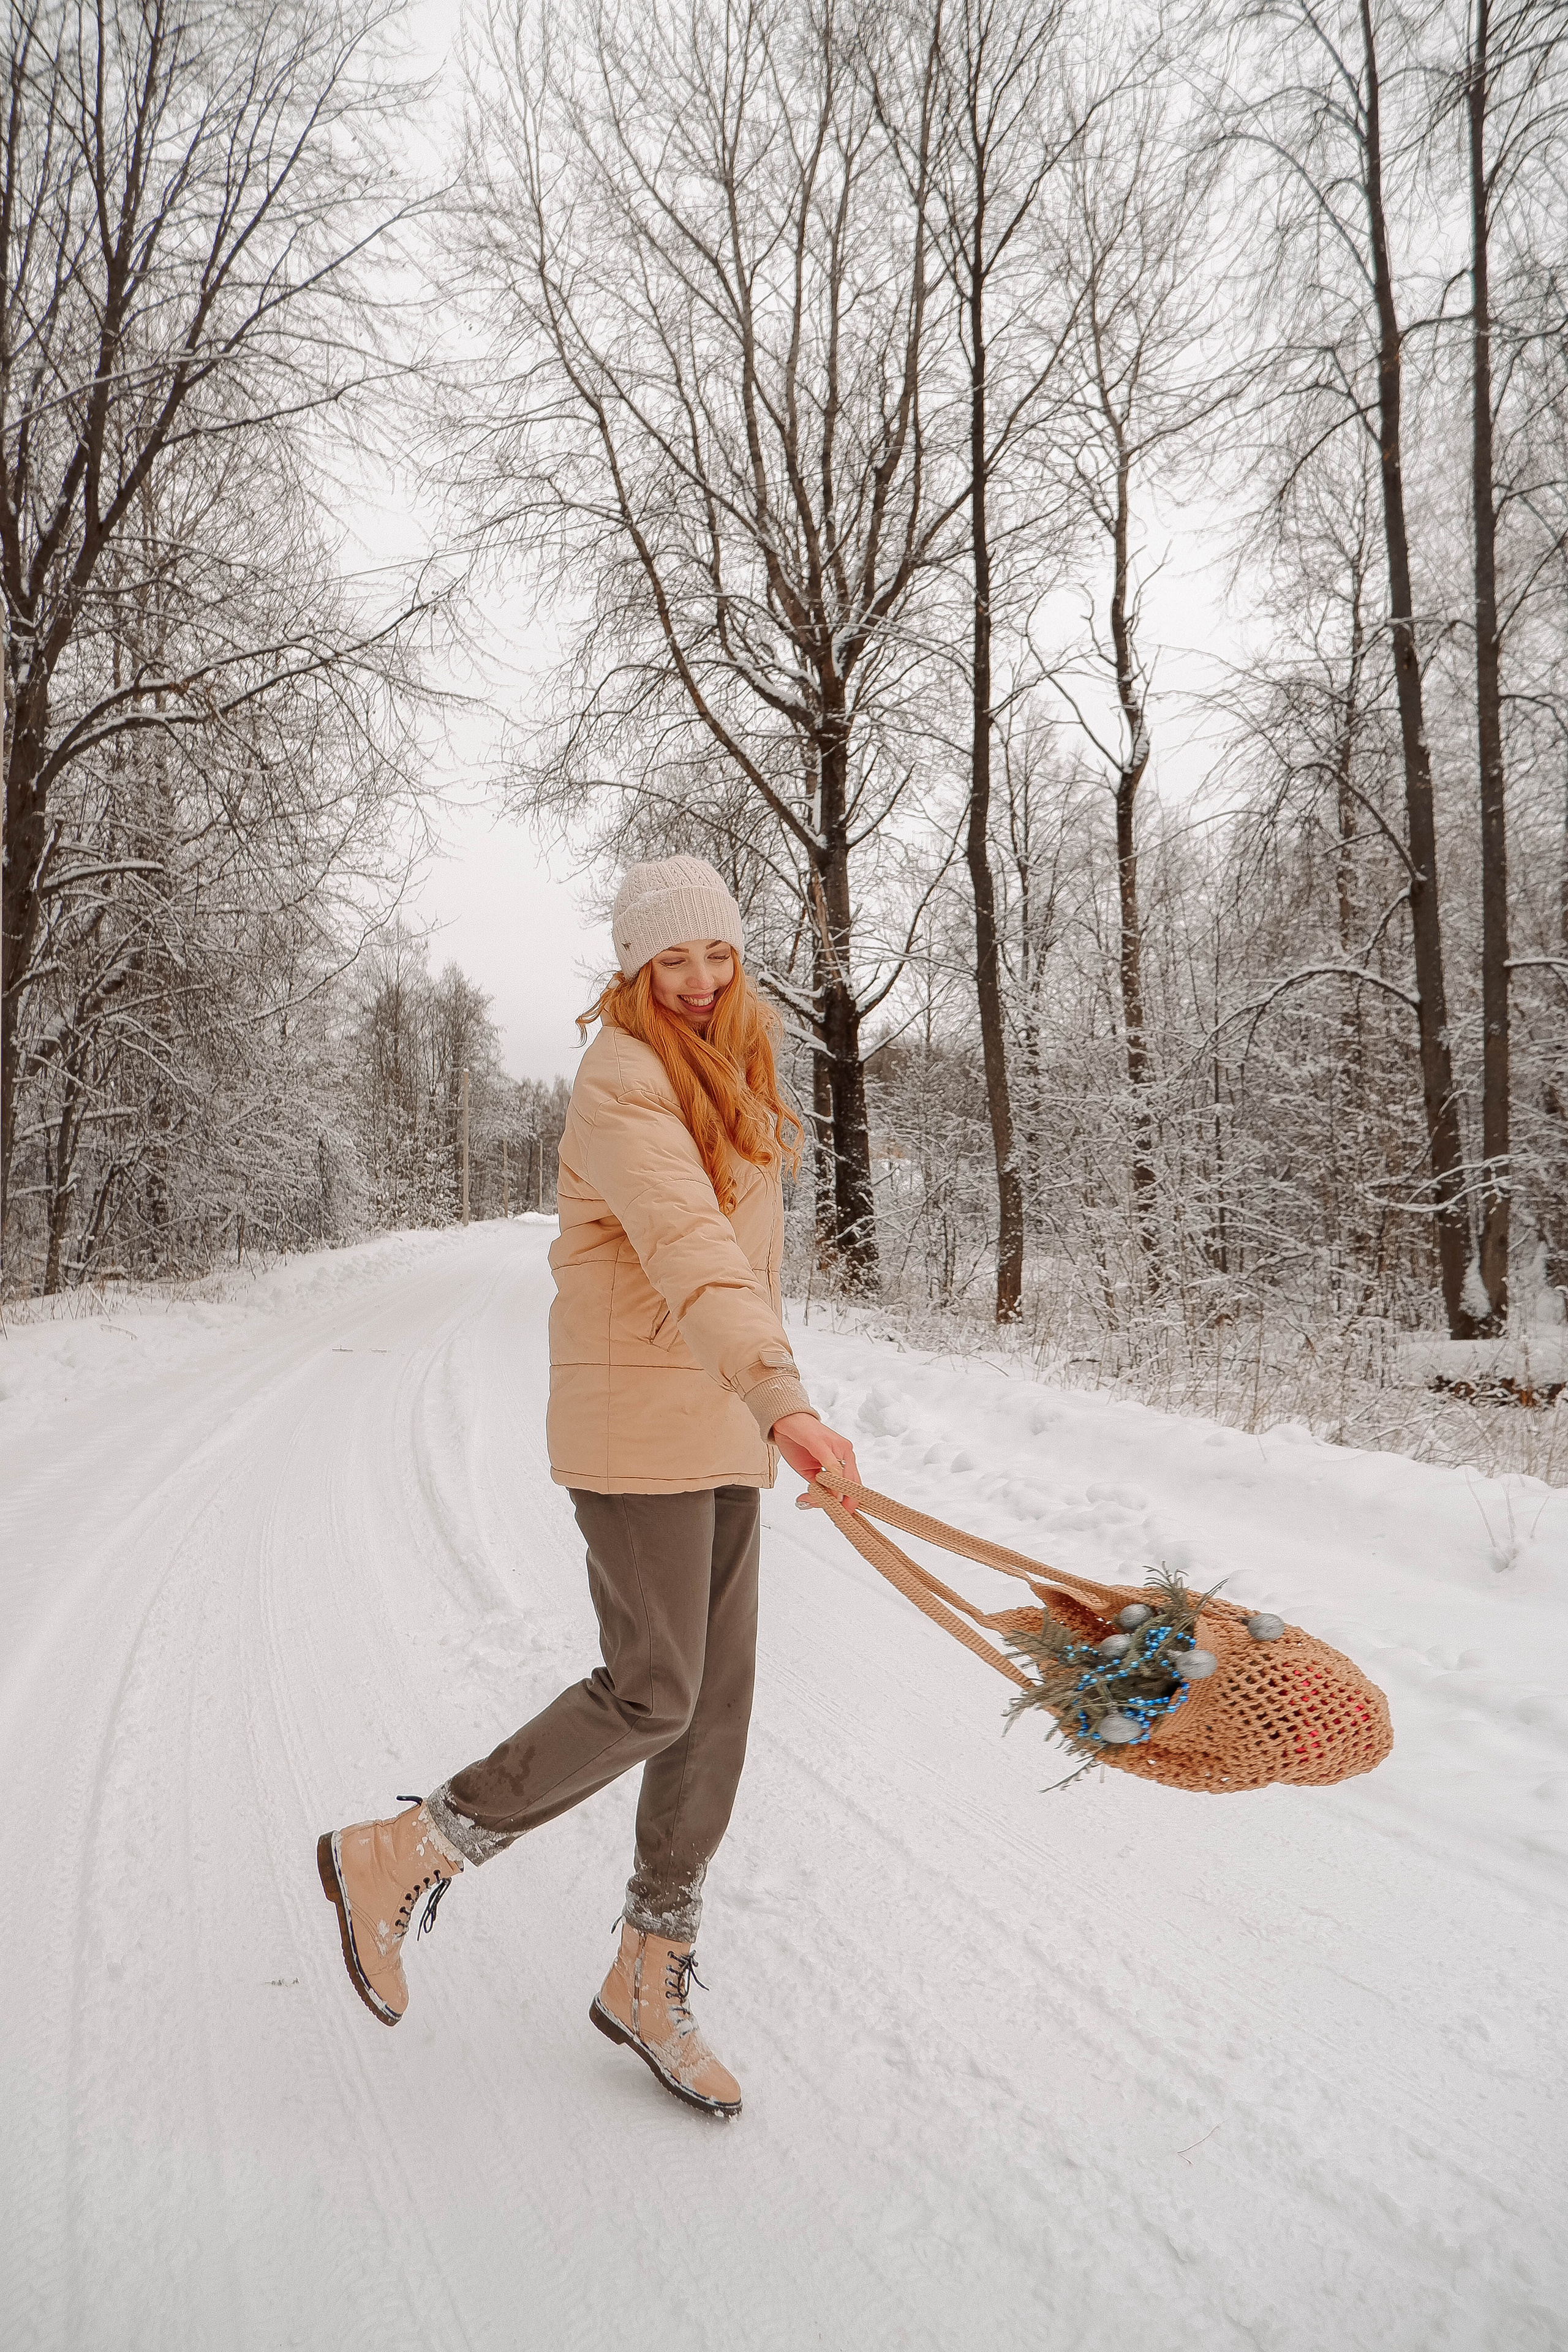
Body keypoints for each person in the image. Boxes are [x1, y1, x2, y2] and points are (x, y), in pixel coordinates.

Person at [318, 856, 862, 2119]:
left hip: (718, 1421)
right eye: (668, 960)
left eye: (715, 954)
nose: (696, 980)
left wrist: (767, 1406)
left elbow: (746, 1272)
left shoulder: (737, 1070)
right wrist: (789, 1402)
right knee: (654, 1689)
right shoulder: (621, 1081)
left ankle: (648, 1969)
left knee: (712, 1713)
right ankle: (404, 1850)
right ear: (630, 969)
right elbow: (685, 1251)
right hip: (637, 1437)